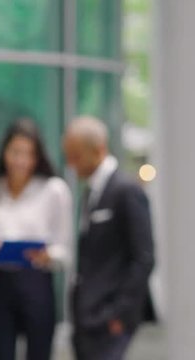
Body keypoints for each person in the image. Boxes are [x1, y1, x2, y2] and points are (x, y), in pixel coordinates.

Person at [63, 116, 155, 360]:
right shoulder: (90, 191)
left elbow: (144, 257)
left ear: (99, 149)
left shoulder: (126, 191)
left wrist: (120, 313)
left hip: (108, 318)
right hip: (86, 317)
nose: (72, 164)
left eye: (77, 155)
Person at [0, 119, 73, 360]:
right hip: (0, 281)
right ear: (4, 152)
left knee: (39, 353)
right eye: (15, 152)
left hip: (36, 279)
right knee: (1, 352)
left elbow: (65, 250)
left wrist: (49, 255)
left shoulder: (53, 190)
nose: (21, 160)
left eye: (29, 154)